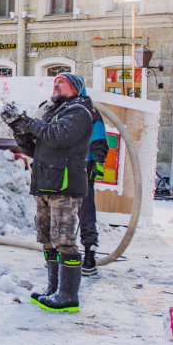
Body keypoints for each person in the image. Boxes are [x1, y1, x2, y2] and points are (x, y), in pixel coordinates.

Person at [0, 72, 95, 313]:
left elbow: (58, 137)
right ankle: (53, 289)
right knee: (47, 239)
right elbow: (32, 147)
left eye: (61, 82)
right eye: (54, 82)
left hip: (65, 185)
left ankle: (67, 296)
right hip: (44, 182)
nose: (56, 85)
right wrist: (17, 127)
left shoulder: (79, 112)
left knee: (64, 239)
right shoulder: (52, 112)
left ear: (74, 88)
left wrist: (28, 120)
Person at [80, 98, 109, 276]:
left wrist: (98, 161)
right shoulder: (55, 107)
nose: (56, 86)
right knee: (60, 215)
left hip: (83, 167)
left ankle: (89, 253)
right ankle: (57, 254)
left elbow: (99, 137)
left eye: (62, 83)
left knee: (86, 212)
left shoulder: (90, 110)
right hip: (60, 169)